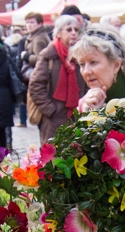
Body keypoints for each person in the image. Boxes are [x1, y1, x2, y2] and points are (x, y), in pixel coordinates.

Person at [28, 14, 84, 144]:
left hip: (78, 116)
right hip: (54, 120)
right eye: (69, 30)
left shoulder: (81, 55)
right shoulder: (48, 55)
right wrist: (50, 110)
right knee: (53, 158)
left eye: (76, 30)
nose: (74, 33)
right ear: (58, 33)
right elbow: (36, 85)